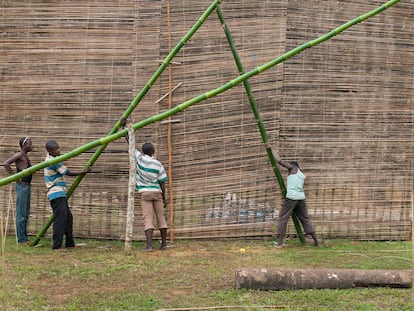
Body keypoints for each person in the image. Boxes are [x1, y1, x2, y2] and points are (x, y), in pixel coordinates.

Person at [121, 119, 168, 251]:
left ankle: (149, 246)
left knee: (147, 218)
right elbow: (162, 182)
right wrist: (164, 197)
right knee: (161, 217)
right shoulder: (158, 164)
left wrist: (124, 128)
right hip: (157, 192)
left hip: (145, 192)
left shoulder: (139, 159)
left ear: (143, 151)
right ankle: (164, 244)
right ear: (153, 151)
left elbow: (130, 142)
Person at [44, 140, 91, 250]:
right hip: (56, 193)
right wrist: (84, 172)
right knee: (60, 220)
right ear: (49, 151)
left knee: (68, 218)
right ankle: (57, 245)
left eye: (58, 148)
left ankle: (70, 243)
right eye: (56, 149)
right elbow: (68, 173)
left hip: (59, 193)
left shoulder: (53, 159)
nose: (58, 150)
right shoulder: (53, 161)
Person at [269, 145, 319, 248]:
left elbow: (280, 161)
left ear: (293, 166)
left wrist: (271, 149)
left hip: (291, 198)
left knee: (283, 219)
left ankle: (280, 244)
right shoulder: (301, 174)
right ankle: (316, 242)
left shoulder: (292, 168)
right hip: (301, 199)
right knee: (305, 220)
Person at [3, 137, 33, 244]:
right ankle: (21, 239)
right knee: (21, 213)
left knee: (25, 212)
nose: (31, 146)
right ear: (23, 145)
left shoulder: (25, 156)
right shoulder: (19, 155)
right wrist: (15, 177)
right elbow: (6, 163)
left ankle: (24, 237)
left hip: (27, 186)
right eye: (29, 144)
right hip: (22, 186)